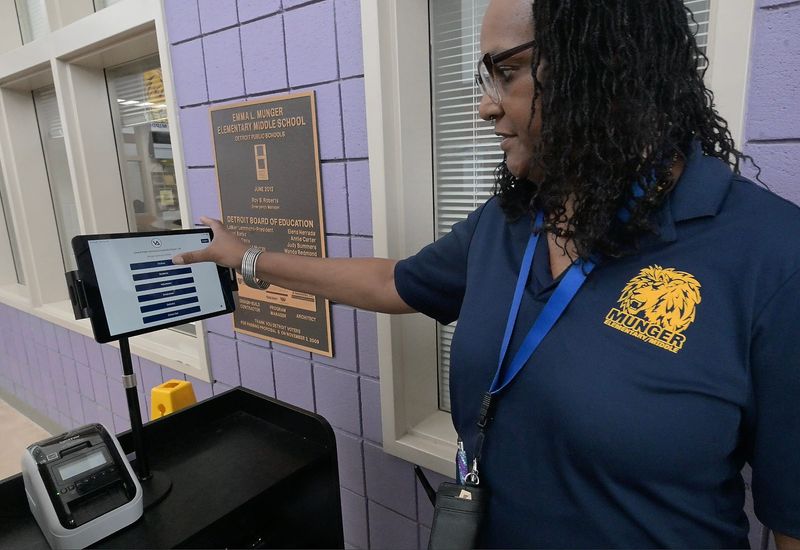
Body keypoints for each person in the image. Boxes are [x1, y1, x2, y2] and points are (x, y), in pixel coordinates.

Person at [173, 0, 800, 547]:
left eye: (509, 72)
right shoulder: (512, 221)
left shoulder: (769, 254)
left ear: (606, 63)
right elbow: (395, 282)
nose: (485, 108)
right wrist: (249, 260)